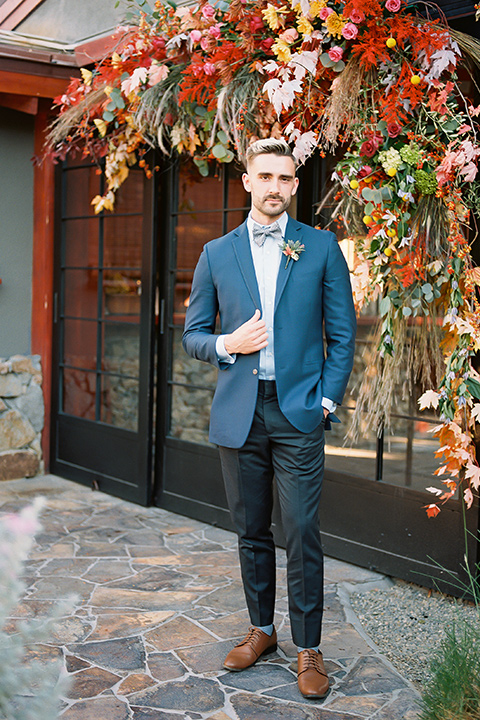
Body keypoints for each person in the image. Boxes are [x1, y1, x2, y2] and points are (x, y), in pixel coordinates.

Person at [182, 138, 356, 698]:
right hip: (239, 412)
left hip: (298, 410)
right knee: (250, 529)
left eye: (285, 178)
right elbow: (192, 336)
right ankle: (262, 631)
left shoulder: (321, 247)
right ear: (248, 182)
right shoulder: (215, 252)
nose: (276, 187)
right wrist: (227, 343)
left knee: (302, 529)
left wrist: (326, 400)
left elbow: (343, 333)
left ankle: (309, 647)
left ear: (294, 186)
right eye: (266, 177)